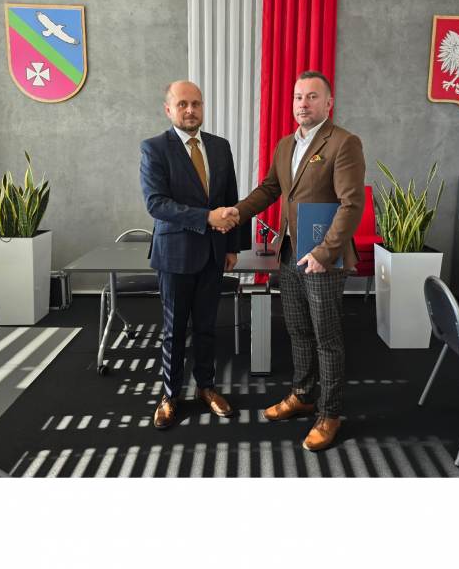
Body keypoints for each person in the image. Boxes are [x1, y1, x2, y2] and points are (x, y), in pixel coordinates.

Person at [220, 70, 365, 450]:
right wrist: (237, 212)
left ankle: (330, 413)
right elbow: (270, 189)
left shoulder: (344, 143)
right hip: (289, 254)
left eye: (312, 96)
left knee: (327, 339)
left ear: (328, 103)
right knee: (298, 331)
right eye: (299, 96)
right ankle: (303, 395)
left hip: (323, 259)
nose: (304, 103)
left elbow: (352, 204)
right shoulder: (286, 145)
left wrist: (324, 252)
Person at [140, 80, 240, 429]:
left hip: (214, 253)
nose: (190, 110)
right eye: (182, 104)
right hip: (174, 255)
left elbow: (230, 198)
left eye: (196, 103)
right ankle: (170, 395)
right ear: (168, 109)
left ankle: (206, 387)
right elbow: (157, 204)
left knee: (207, 327)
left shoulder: (220, 146)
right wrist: (207, 218)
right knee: (174, 330)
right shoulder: (155, 148)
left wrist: (232, 246)